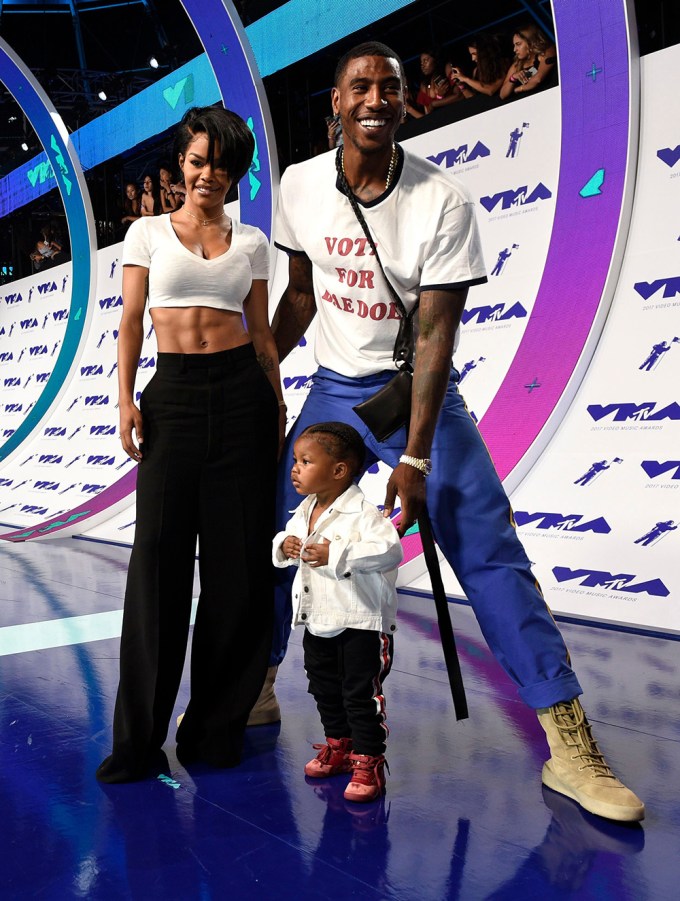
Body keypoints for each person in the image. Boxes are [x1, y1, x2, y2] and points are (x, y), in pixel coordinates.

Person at [267, 41, 644, 823]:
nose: (376, 97)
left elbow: (436, 337)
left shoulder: (443, 200)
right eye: (361, 86)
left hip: (410, 392)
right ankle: (257, 683)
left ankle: (568, 741)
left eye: (391, 87)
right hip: (333, 387)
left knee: (484, 534)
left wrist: (413, 454)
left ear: (405, 103)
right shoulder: (299, 185)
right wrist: (265, 376)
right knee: (274, 519)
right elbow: (301, 294)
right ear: (334, 103)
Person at [96, 104, 285, 784]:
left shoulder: (254, 242)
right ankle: (139, 741)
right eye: (199, 160)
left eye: (223, 164)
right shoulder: (146, 233)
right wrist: (124, 399)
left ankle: (215, 729)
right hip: (171, 398)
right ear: (182, 162)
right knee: (158, 569)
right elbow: (130, 321)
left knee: (238, 574)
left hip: (243, 399)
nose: (210, 174)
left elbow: (262, 333)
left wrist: (278, 402)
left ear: (237, 172)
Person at [273, 422, 403, 803]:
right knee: (324, 687)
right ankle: (340, 746)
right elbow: (282, 539)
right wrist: (287, 544)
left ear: (339, 470)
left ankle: (369, 760)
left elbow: (390, 552)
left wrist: (337, 554)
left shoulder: (365, 515)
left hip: (360, 622)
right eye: (296, 461)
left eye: (306, 461)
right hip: (318, 621)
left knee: (360, 695)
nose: (295, 468)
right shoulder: (305, 509)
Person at [500, 25, 557, 100]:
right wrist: (513, 78)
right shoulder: (517, 64)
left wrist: (517, 89)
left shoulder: (547, 51)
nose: (514, 49)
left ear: (530, 41)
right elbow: (502, 94)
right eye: (514, 45)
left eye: (518, 44)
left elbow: (537, 79)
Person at [447, 33, 508, 99]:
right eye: (471, 55)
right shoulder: (476, 71)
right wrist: (461, 85)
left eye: (475, 54)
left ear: (484, 52)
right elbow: (472, 98)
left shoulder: (502, 63)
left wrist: (465, 79)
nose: (473, 59)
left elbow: (490, 90)